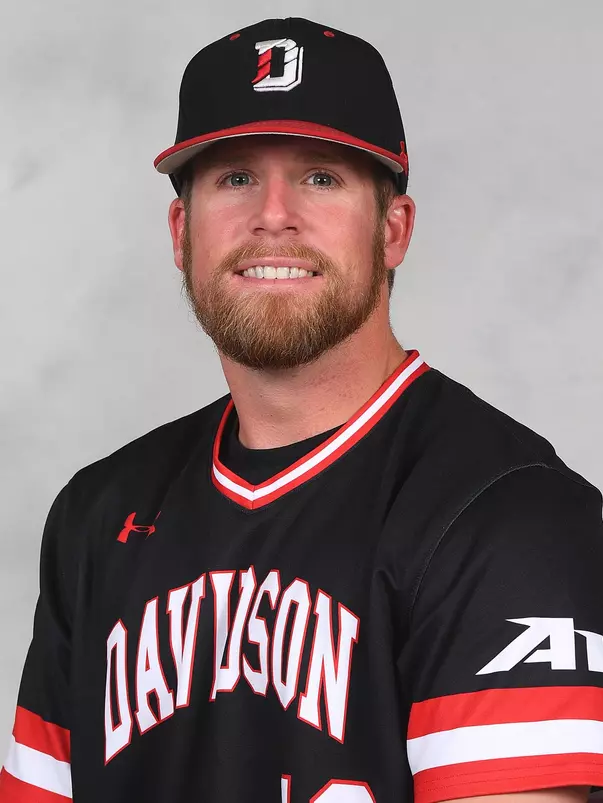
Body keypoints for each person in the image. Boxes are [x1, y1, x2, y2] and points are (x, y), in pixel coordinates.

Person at [1, 15, 602, 803]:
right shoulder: (97, 514)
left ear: (392, 230)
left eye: (320, 177)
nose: (273, 214)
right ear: (181, 230)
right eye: (234, 177)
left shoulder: (512, 517)